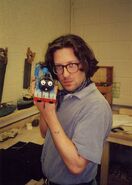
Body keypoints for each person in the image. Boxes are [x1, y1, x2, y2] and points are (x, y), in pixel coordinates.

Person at [34, 34, 112, 185]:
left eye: (72, 65)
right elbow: (44, 133)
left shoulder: (96, 106)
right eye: (59, 67)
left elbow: (77, 165)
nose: (65, 74)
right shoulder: (64, 96)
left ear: (85, 64)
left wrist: (50, 114)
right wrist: (45, 105)